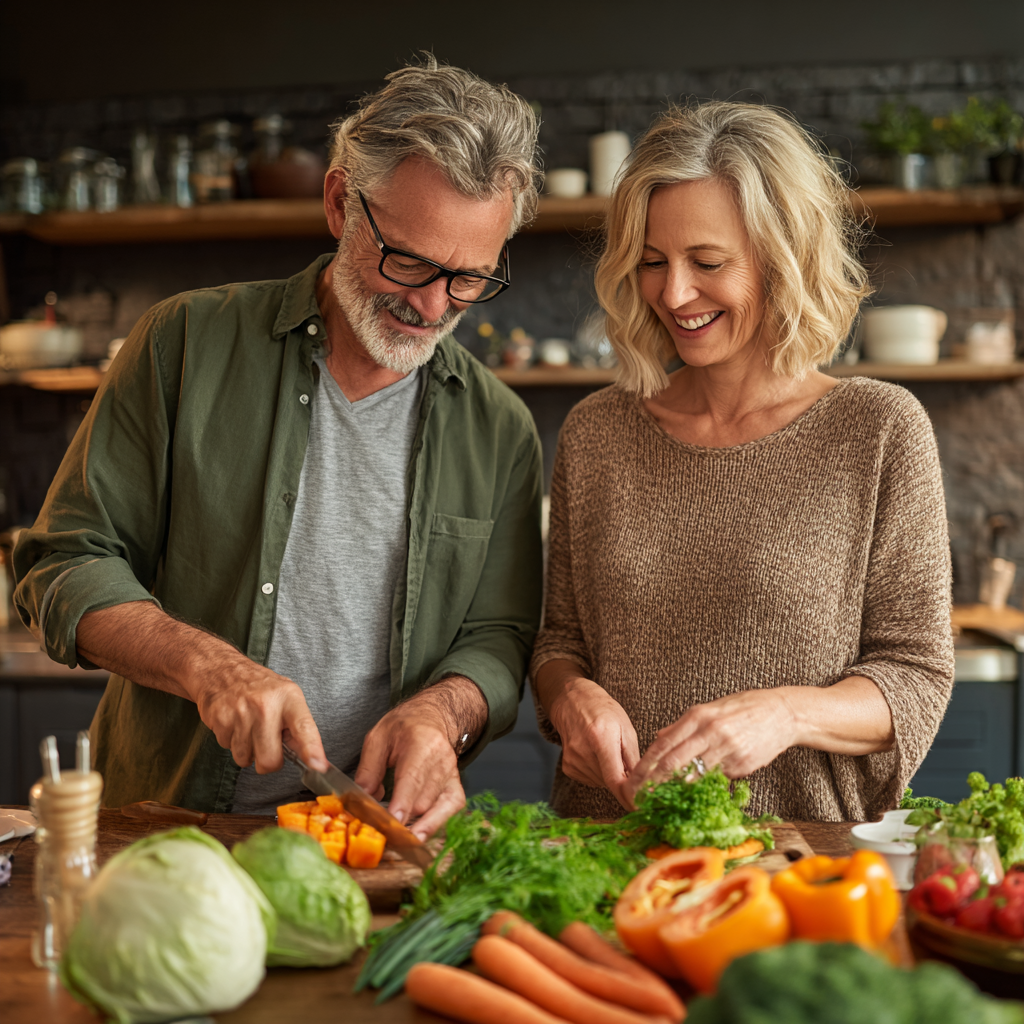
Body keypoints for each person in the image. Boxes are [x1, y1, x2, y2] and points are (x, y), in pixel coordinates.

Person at [14, 60, 544, 839]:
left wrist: (442, 711)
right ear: (339, 204)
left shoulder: (500, 428)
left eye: (469, 279)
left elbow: (497, 637)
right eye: (410, 262)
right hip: (169, 829)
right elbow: (61, 562)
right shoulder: (182, 343)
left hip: (373, 844)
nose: (433, 306)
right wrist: (207, 666)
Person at [530, 101, 954, 824]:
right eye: (653, 262)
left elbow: (915, 675)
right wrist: (569, 697)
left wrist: (783, 715)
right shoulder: (597, 433)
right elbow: (561, 641)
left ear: (783, 258)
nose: (674, 294)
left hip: (802, 861)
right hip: (606, 850)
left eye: (708, 262)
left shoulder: (878, 430)